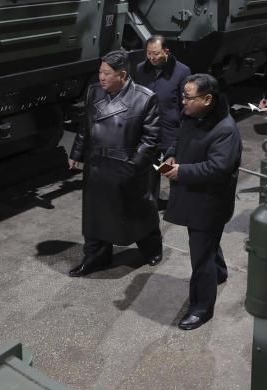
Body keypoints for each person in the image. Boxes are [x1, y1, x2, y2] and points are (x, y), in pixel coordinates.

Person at [67, 50, 163, 277]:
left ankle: (151, 248)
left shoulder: (145, 98)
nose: (101, 77)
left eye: (107, 74)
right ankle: (96, 255)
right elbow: (86, 126)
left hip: (127, 166)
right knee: (95, 215)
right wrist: (77, 153)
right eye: (100, 72)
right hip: (97, 164)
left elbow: (151, 139)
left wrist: (133, 166)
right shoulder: (93, 91)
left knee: (137, 212)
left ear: (122, 75)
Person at [160, 74, 242, 331]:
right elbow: (180, 137)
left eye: (188, 97)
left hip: (209, 204)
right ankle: (219, 272)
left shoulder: (225, 130)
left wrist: (181, 172)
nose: (183, 101)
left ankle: (201, 308)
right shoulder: (193, 116)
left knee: (201, 257)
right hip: (194, 197)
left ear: (208, 100)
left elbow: (218, 168)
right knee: (207, 245)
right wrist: (172, 154)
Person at [133, 36, 191, 208]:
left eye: (156, 54)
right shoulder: (140, 69)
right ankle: (152, 203)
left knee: (169, 169)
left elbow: (185, 105)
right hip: (148, 131)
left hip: (170, 131)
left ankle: (176, 205)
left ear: (166, 52)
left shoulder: (182, 72)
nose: (151, 57)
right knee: (151, 170)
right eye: (149, 53)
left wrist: (182, 132)